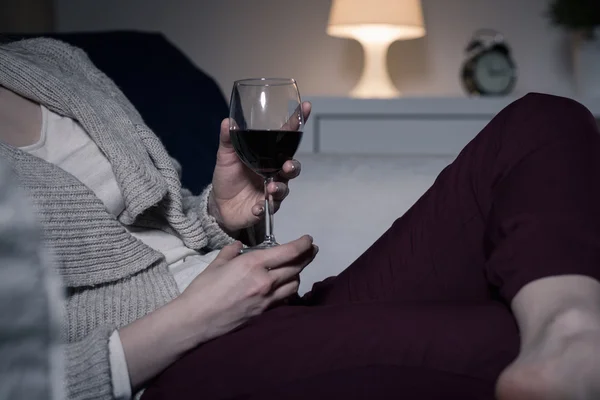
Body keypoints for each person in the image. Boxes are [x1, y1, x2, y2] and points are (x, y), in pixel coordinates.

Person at [1, 37, 599, 400]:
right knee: (501, 335)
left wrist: (221, 214)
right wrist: (195, 316)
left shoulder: (51, 62)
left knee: (543, 121)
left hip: (264, 314)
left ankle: (574, 331)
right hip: (169, 370)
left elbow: (152, 232)